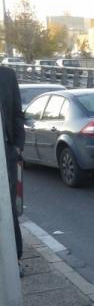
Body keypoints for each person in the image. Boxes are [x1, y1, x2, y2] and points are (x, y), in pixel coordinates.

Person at [0, 65, 25, 277]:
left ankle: (15, 259)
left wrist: (17, 146)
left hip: (5, 151)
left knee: (7, 207)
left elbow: (17, 112)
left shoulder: (7, 75)